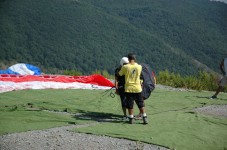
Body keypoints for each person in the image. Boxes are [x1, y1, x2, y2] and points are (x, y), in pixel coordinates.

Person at [118, 53, 148, 124]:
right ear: (134, 59)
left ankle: (131, 118)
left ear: (128, 59)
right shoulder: (139, 67)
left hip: (129, 88)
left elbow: (120, 74)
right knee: (140, 103)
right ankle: (144, 117)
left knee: (130, 104)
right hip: (137, 88)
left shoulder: (125, 67)